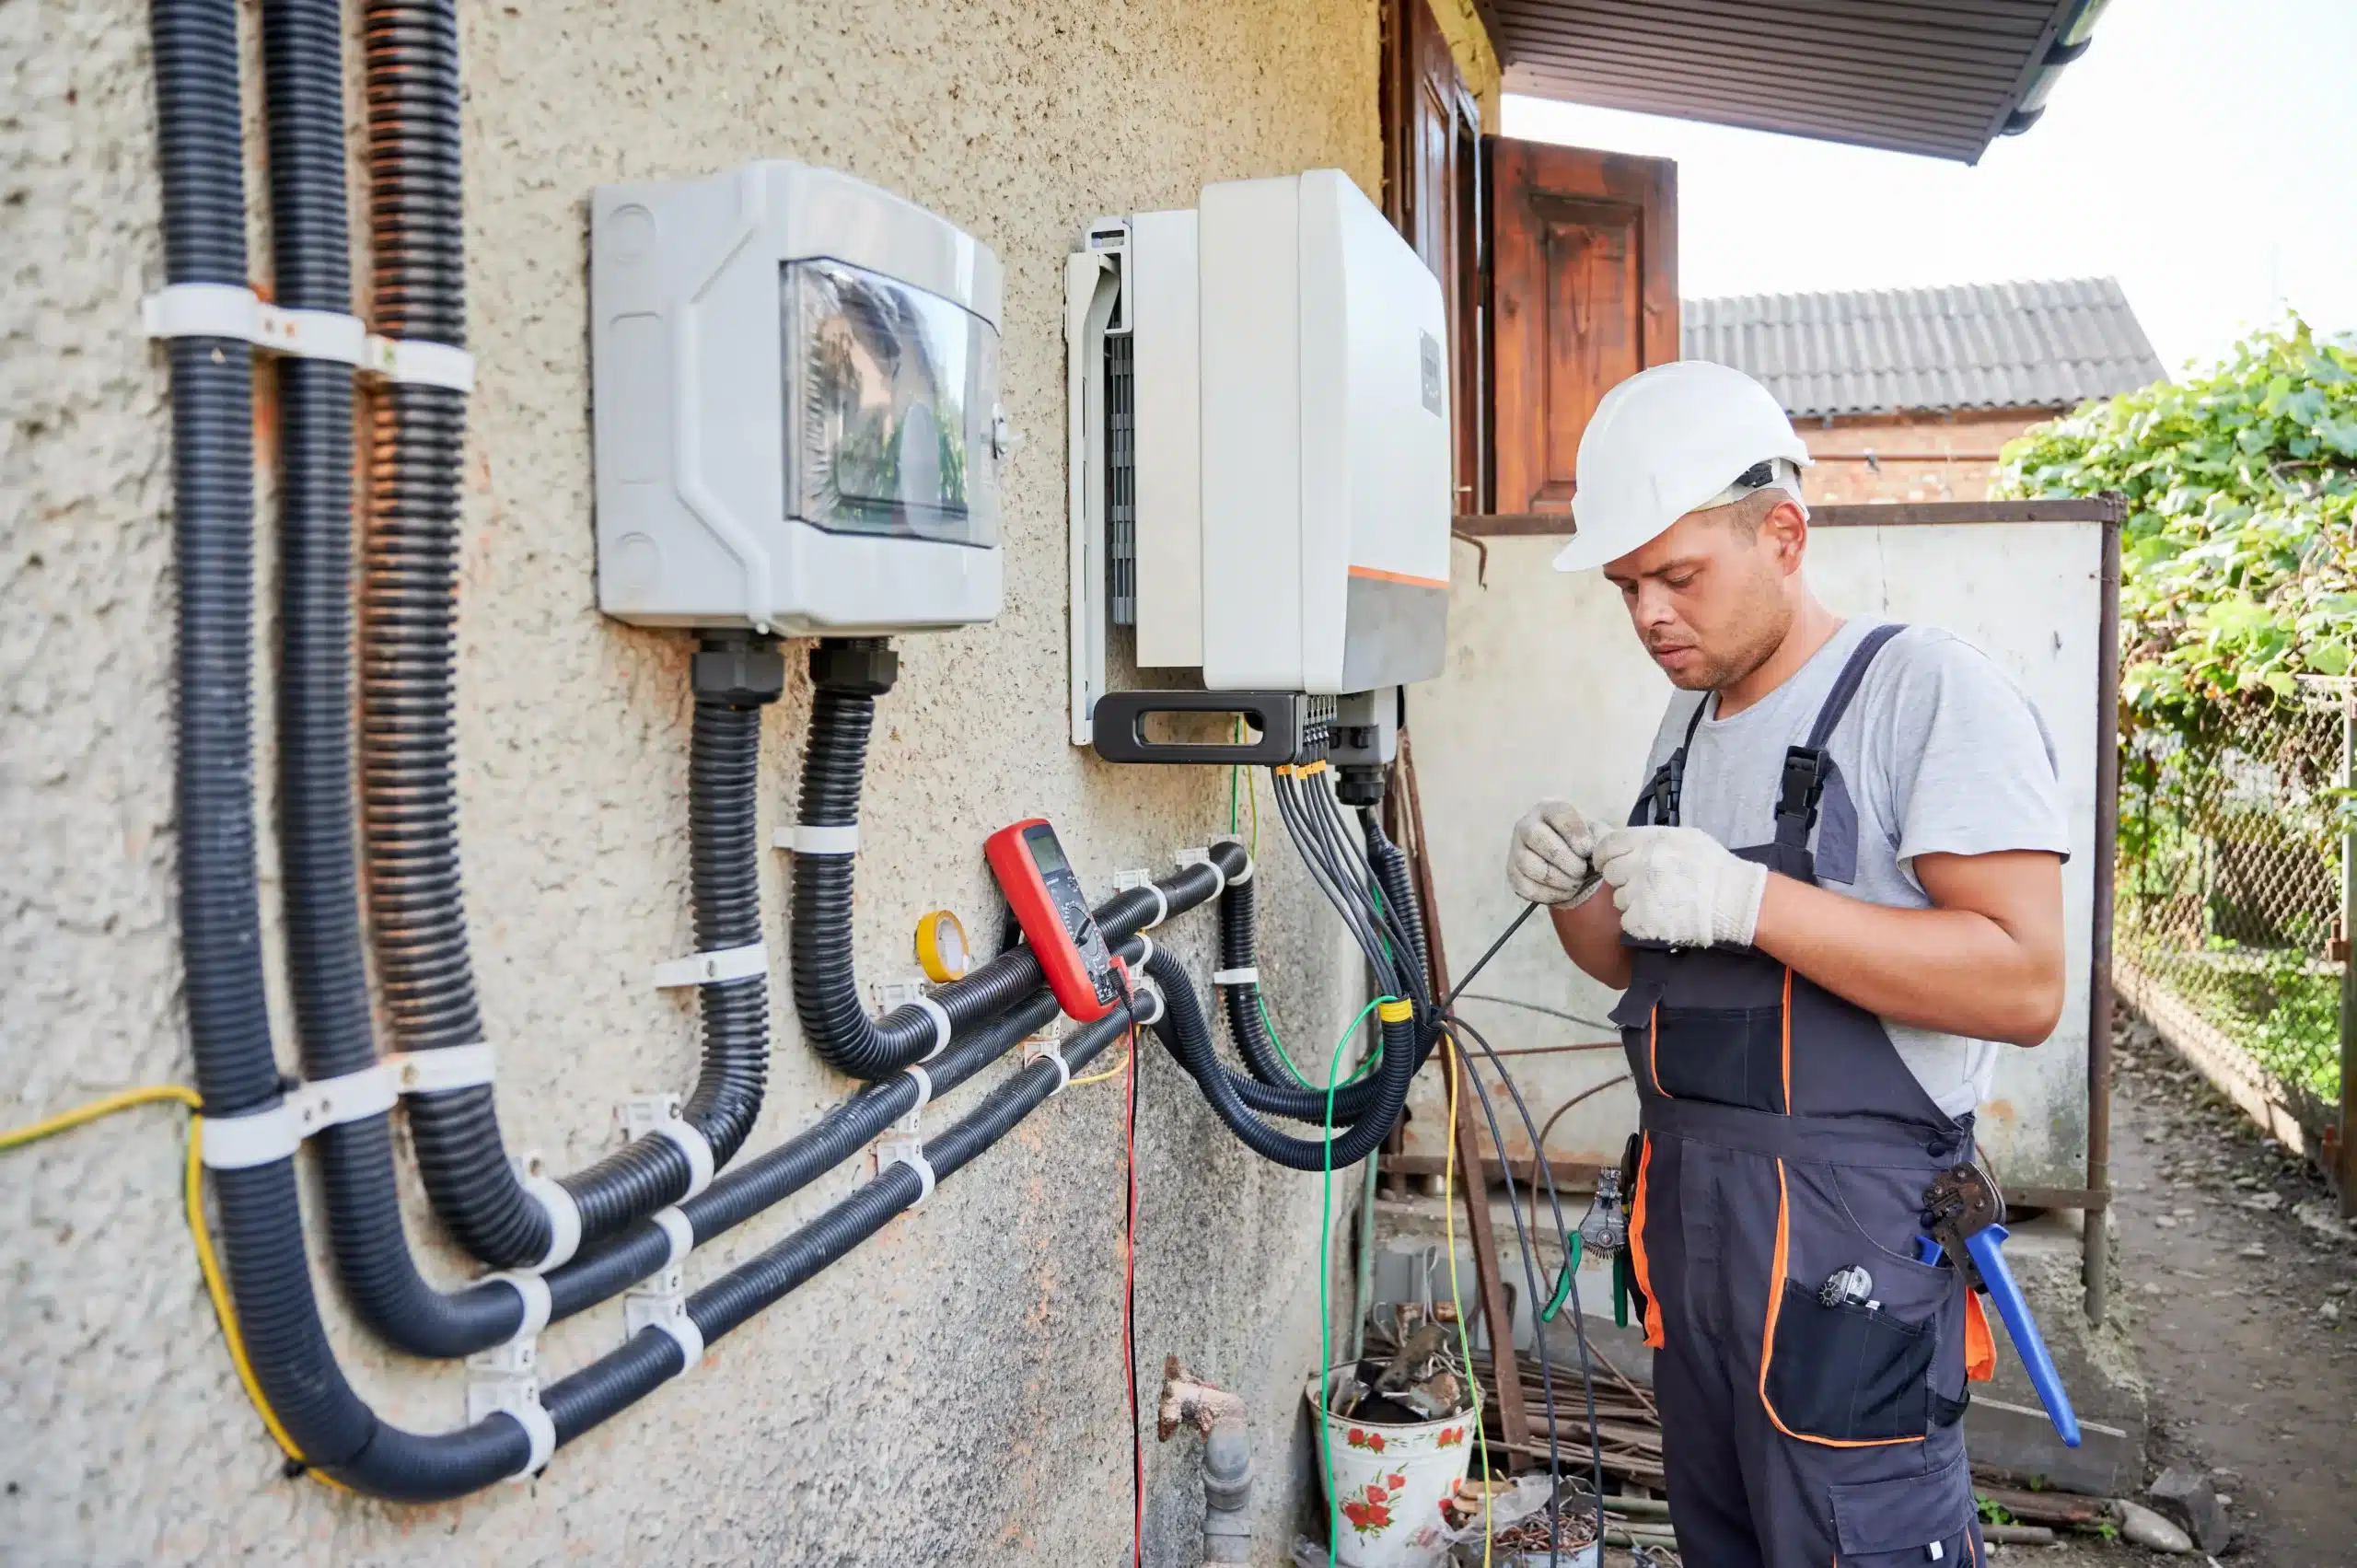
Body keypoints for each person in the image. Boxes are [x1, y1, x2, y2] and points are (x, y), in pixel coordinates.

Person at [1504, 360, 2069, 1565]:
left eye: (1679, 575)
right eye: (1627, 586)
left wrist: (1755, 898)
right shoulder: (1686, 723)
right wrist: (1573, 893)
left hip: (1845, 1262)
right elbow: (1643, 971)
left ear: (1784, 530)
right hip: (1698, 1252)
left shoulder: (1919, 692)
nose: (1650, 613)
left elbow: (2024, 982)